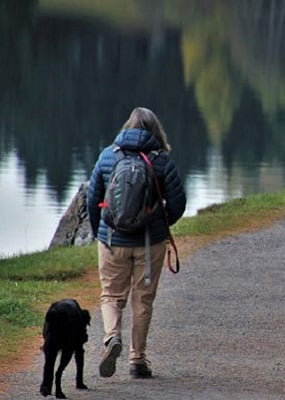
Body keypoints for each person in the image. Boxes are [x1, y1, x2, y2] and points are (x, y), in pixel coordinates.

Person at [86, 107, 186, 378]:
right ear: (155, 130)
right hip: (148, 243)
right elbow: (178, 203)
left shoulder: (108, 155)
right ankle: (137, 360)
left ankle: (111, 337)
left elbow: (92, 198)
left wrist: (100, 233)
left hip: (111, 240)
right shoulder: (161, 161)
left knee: (111, 295)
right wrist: (161, 228)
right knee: (143, 300)